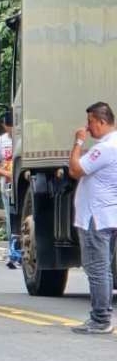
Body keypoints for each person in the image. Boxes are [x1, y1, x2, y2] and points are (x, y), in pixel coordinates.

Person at [67, 102, 117, 334]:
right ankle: (101, 316)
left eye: (90, 122)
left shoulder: (105, 147)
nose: (88, 127)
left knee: (97, 269)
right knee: (103, 268)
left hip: (95, 215)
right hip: (107, 214)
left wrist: (78, 143)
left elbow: (75, 170)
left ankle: (100, 319)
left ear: (102, 121)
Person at [0, 111, 19, 269]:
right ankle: (13, 254)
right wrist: (7, 173)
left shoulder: (25, 140)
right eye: (10, 126)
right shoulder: (0, 142)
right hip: (8, 185)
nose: (12, 129)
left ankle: (20, 253)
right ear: (5, 126)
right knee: (11, 219)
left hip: (23, 183)